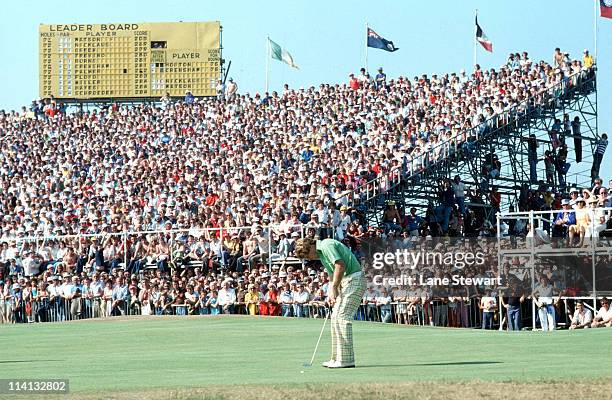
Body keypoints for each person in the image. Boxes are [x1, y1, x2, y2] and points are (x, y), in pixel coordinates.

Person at [294, 238, 366, 368]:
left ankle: (346, 360)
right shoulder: (322, 253)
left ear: (310, 247)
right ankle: (337, 358)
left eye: (307, 254)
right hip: (346, 281)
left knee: (342, 318)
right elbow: (332, 272)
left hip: (354, 279)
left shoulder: (326, 245)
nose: (309, 258)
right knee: (334, 318)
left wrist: (334, 288)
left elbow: (340, 265)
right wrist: (331, 292)